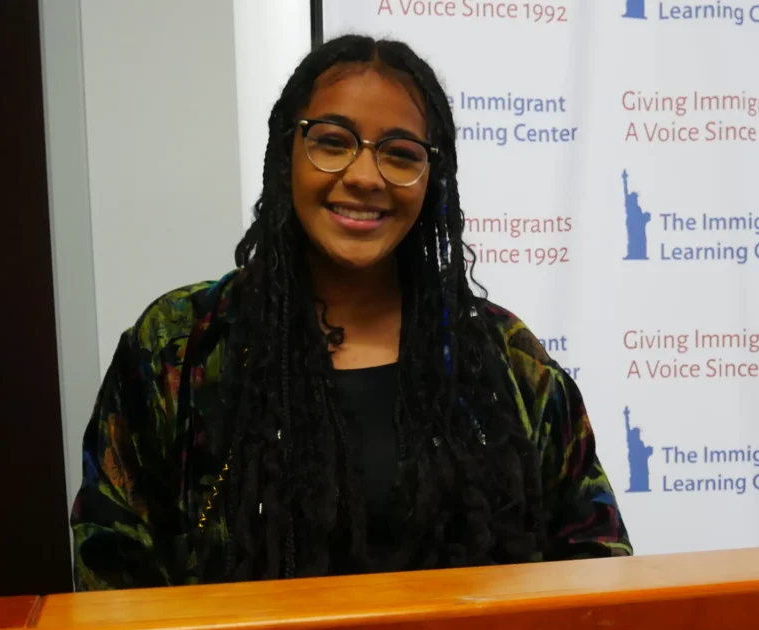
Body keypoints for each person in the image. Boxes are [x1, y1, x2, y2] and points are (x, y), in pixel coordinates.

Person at [69, 34, 632, 591]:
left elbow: (595, 560)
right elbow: (113, 573)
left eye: (400, 152)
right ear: (286, 153)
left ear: (431, 180)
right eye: (333, 142)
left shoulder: (506, 361)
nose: (365, 177)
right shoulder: (178, 347)